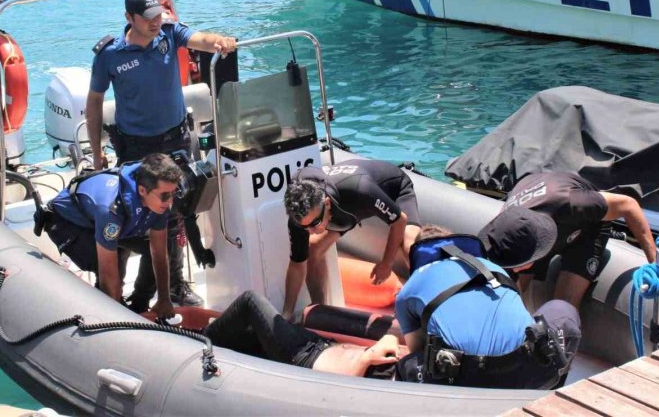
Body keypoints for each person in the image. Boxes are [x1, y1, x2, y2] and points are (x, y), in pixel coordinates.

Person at [85, 0, 237, 311]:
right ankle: (110, 290)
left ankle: (170, 288)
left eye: (158, 15)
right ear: (130, 18)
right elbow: (94, 101)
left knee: (174, 215)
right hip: (137, 148)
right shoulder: (110, 55)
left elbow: (201, 39)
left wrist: (220, 41)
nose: (155, 23)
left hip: (176, 139)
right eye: (148, 18)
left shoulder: (169, 33)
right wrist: (95, 148)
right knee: (134, 216)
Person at [395, 221, 580, 389]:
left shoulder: (409, 290)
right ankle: (551, 395)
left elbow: (418, 349)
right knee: (563, 310)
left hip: (468, 383)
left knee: (408, 363)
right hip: (529, 372)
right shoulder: (493, 268)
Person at [479, 171, 657, 308]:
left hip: (586, 227)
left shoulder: (571, 203)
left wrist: (655, 262)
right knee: (511, 294)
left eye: (518, 264)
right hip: (533, 229)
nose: (516, 268)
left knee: (564, 304)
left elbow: (628, 205)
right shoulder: (506, 225)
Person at [41, 153, 184, 320]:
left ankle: (139, 304)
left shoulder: (160, 201)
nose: (170, 201)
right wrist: (119, 320)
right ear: (142, 190)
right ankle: (103, 316)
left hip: (110, 221)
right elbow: (108, 272)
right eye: (166, 195)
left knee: (166, 246)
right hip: (67, 223)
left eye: (175, 192)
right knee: (113, 264)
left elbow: (159, 252)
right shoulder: (112, 208)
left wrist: (164, 299)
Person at [282, 159, 419, 321]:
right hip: (345, 212)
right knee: (312, 248)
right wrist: (287, 313)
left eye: (315, 224)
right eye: (306, 227)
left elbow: (399, 220)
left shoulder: (361, 189)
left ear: (326, 203)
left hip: (393, 189)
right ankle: (320, 312)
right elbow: (297, 264)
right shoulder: (301, 218)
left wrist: (386, 263)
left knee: (410, 244)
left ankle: (421, 308)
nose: (311, 231)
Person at [204, 290, 401, 378]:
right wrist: (387, 341)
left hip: (301, 356)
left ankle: (199, 339)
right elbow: (391, 338)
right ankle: (207, 338)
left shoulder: (388, 389)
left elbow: (349, 387)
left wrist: (366, 359)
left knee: (250, 300)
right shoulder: (405, 368)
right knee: (250, 336)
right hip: (318, 344)